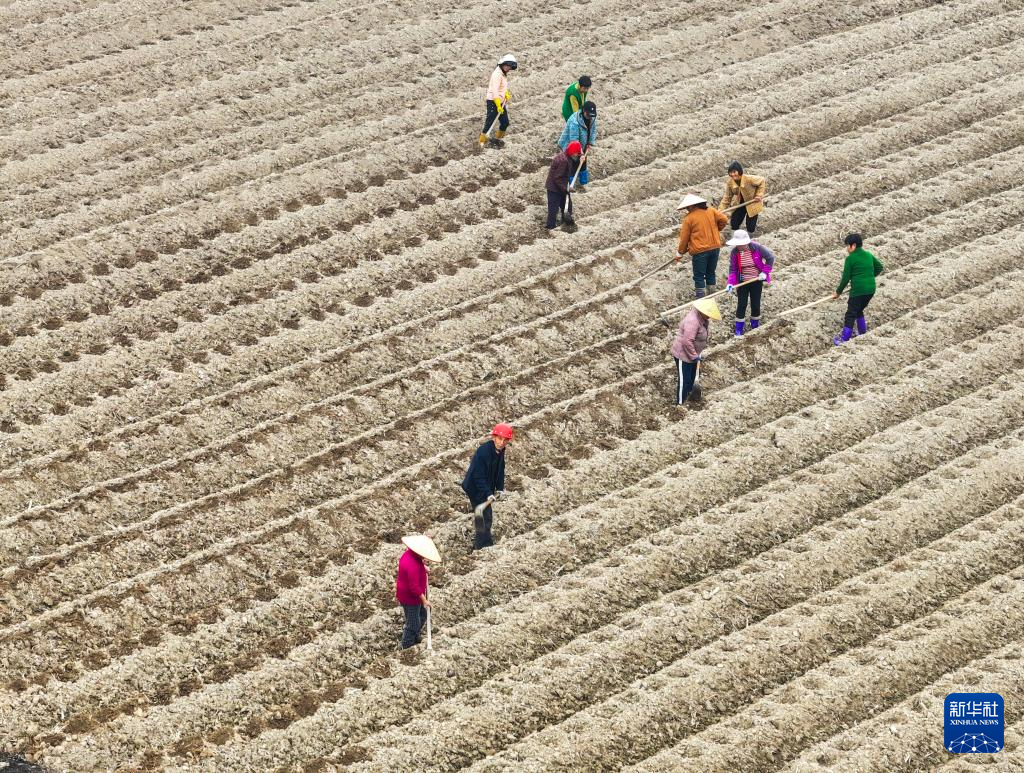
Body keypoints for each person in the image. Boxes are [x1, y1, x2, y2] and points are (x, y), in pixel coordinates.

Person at [461, 423, 512, 549]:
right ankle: (481, 545)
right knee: (484, 516)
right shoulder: (483, 452)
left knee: (484, 515)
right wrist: (488, 493)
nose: (502, 442)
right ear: (494, 437)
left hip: (485, 486)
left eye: (505, 440)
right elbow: (478, 477)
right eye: (500, 439)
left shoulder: (500, 451)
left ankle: (483, 542)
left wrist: (500, 488)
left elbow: (500, 469)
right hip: (475, 488)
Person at [832, 233, 883, 345]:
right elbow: (880, 267)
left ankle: (844, 340)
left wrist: (838, 292)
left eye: (847, 246)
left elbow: (845, 278)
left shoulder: (850, 259)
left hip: (858, 291)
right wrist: (868, 277)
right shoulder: (868, 255)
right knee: (859, 310)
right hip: (870, 290)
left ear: (853, 245)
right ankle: (862, 332)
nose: (847, 249)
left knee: (850, 314)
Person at [670, 297, 721, 406]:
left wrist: (697, 353)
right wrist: (693, 355)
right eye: (708, 314)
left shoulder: (702, 319)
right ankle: (679, 404)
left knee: (692, 378)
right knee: (685, 380)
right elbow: (687, 341)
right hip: (683, 355)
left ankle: (689, 397)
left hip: (693, 353)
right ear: (702, 311)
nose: (709, 317)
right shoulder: (693, 321)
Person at [675, 193, 727, 298]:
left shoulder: (689, 218)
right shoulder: (711, 211)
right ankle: (712, 296)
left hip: (700, 251)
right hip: (715, 247)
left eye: (688, 207)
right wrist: (716, 230)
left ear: (693, 205)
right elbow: (724, 219)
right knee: (710, 272)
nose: (687, 209)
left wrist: (680, 252)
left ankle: (701, 299)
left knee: (699, 276)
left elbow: (684, 238)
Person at [725, 229, 776, 336]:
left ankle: (755, 326)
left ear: (746, 242)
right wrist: (730, 283)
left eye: (741, 244)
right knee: (741, 304)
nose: (739, 246)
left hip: (756, 280)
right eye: (737, 244)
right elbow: (733, 269)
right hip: (742, 281)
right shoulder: (735, 252)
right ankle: (739, 329)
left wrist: (764, 272)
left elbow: (770, 258)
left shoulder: (757, 248)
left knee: (755, 303)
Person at [395, 534, 441, 649]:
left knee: (423, 614)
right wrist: (424, 600)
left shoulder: (410, 554)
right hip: (410, 598)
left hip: (416, 595)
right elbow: (414, 587)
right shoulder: (412, 565)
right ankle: (406, 645)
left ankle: (415, 635)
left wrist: (423, 567)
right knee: (413, 623)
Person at [558, 101, 597, 191]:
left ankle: (584, 183)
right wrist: (581, 153)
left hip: (583, 143)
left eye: (592, 115)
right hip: (570, 145)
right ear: (584, 111)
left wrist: (590, 142)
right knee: (573, 164)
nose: (590, 117)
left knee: (583, 163)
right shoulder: (574, 121)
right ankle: (571, 185)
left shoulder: (592, 117)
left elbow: (593, 130)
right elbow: (574, 140)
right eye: (588, 114)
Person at [480, 54, 517, 148]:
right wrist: (498, 105)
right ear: (503, 64)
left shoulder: (502, 73)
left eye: (510, 67)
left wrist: (506, 93)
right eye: (507, 66)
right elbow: (494, 91)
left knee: (505, 122)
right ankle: (481, 143)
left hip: (500, 102)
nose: (509, 68)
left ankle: (497, 140)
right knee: (490, 122)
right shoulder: (497, 74)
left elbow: (501, 87)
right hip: (493, 101)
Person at [720, 161, 766, 234]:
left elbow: (762, 180)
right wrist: (720, 210)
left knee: (751, 224)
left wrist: (759, 195)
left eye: (734, 172)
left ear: (739, 171)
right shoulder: (730, 183)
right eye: (730, 172)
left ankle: (748, 241)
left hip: (752, 202)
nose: (732, 174)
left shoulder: (749, 179)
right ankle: (736, 239)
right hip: (740, 202)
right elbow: (727, 197)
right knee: (735, 221)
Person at [545, 141, 582, 229]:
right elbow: (557, 178)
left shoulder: (568, 156)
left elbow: (570, 170)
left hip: (561, 186)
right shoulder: (563, 161)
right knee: (553, 208)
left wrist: (581, 160)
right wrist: (566, 189)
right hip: (554, 188)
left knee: (567, 204)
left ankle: (566, 221)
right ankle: (550, 226)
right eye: (577, 153)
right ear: (573, 152)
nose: (578, 155)